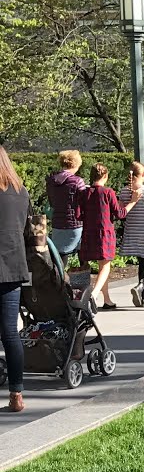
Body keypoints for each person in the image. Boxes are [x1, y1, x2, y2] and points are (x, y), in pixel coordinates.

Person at [0, 146, 34, 413]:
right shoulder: (21, 192)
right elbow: (28, 230)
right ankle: (16, 393)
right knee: (10, 332)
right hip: (12, 268)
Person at [78, 163, 123, 310]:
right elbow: (120, 214)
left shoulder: (84, 193)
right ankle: (94, 294)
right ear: (105, 176)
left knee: (100, 264)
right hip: (105, 232)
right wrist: (132, 202)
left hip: (89, 232)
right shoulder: (108, 192)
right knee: (105, 265)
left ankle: (107, 300)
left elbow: (78, 215)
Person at [118, 161, 144, 307]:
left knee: (142, 263)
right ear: (143, 174)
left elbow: (121, 212)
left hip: (132, 232)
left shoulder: (124, 192)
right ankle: (141, 286)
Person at [45, 149, 87, 261]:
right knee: (82, 255)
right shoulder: (78, 181)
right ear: (76, 164)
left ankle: (59, 278)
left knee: (60, 257)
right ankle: (81, 278)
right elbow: (84, 202)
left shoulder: (51, 181)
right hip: (76, 223)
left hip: (57, 223)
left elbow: (51, 202)